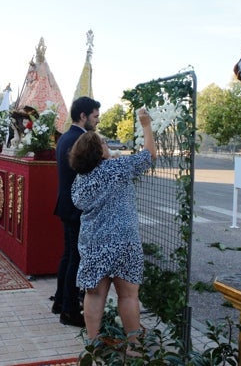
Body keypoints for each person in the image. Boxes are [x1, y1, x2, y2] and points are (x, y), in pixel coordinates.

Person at [70, 108, 155, 343]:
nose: (107, 145)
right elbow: (149, 154)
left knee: (95, 293)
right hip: (124, 241)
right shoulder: (117, 169)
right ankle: (134, 346)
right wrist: (146, 124)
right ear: (99, 151)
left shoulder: (80, 180)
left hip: (94, 242)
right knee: (128, 295)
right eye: (104, 143)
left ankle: (93, 341)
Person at [52, 96, 101, 327]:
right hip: (76, 208)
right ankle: (70, 311)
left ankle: (61, 302)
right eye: (95, 116)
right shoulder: (80, 140)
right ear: (83, 116)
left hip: (65, 204)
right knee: (75, 259)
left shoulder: (64, 137)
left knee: (68, 255)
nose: (97, 120)